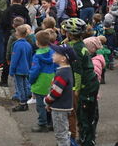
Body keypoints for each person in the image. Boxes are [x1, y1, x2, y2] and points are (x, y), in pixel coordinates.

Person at [61, 18, 100, 146]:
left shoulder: (76, 49)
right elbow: (63, 47)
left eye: (66, 31)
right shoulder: (78, 44)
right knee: (85, 113)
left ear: (70, 33)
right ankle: (85, 138)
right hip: (89, 82)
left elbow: (78, 72)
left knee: (85, 115)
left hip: (86, 84)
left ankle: (87, 141)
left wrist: (76, 89)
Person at [45, 44, 77, 146]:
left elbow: (56, 92)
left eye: (56, 53)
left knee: (61, 134)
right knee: (64, 132)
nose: (53, 54)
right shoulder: (67, 71)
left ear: (63, 58)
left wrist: (47, 100)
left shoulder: (62, 73)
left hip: (60, 108)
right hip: (64, 107)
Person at [0, 0, 30, 87]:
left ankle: (4, 80)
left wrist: (6, 32)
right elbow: (29, 22)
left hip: (10, 35)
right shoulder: (24, 10)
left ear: (12, 0)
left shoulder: (8, 10)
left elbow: (2, 23)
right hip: (24, 35)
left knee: (8, 57)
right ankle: (25, 81)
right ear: (21, 0)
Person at [29, 30, 56, 132]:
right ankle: (51, 122)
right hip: (52, 80)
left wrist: (31, 80)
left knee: (41, 105)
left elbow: (34, 71)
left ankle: (42, 124)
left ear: (37, 42)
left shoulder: (37, 56)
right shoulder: (53, 52)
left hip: (40, 82)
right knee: (51, 103)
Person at [10, 24, 34, 112]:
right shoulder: (28, 44)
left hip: (19, 69)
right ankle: (25, 101)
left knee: (19, 86)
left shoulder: (17, 45)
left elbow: (14, 59)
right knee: (25, 85)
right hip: (26, 68)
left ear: (18, 34)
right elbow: (30, 57)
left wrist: (12, 70)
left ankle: (22, 103)